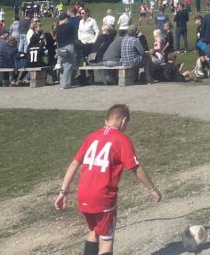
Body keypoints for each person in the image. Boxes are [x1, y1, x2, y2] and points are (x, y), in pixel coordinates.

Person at [55, 104, 161, 255]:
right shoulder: (121, 139)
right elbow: (135, 167)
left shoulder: (91, 137)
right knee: (106, 240)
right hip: (103, 198)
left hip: (83, 195)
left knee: (95, 231)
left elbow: (74, 164)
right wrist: (152, 189)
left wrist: (63, 192)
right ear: (123, 121)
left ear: (106, 120)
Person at [56, 12, 80, 89]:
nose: (69, 20)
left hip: (60, 48)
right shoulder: (70, 26)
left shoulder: (58, 28)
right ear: (65, 19)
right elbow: (74, 36)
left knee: (63, 65)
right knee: (68, 65)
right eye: (68, 18)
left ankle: (62, 83)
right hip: (69, 46)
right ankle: (65, 84)